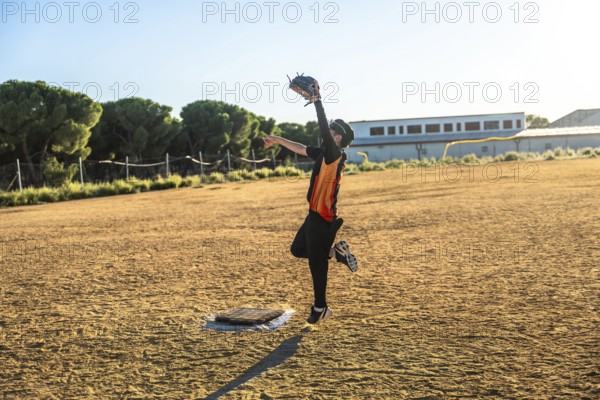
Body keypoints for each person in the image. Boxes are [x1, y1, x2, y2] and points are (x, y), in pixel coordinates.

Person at [262, 84, 357, 324]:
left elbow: (324, 131)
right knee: (297, 250)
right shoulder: (324, 153)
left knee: (316, 264)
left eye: (334, 132)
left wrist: (317, 101)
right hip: (313, 216)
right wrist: (278, 140)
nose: (330, 133)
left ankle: (320, 307)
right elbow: (302, 148)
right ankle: (336, 252)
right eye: (331, 130)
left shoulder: (335, 155)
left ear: (339, 139)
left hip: (323, 219)